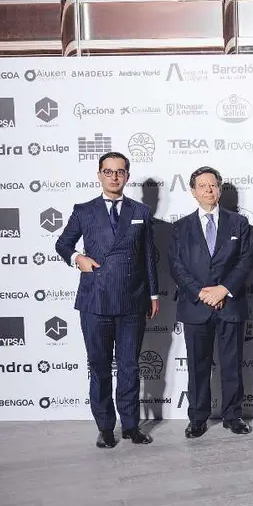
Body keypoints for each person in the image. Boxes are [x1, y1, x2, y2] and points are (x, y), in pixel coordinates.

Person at [55, 152, 159, 449]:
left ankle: (130, 426)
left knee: (129, 366)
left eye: (120, 172)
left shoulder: (141, 211)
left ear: (127, 176)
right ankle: (105, 427)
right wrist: (78, 258)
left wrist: (153, 294)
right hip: (95, 301)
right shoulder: (84, 210)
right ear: (99, 175)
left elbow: (149, 256)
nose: (114, 177)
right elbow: (63, 243)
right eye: (108, 171)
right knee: (99, 366)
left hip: (132, 301)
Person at [168, 167, 253, 439]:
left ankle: (233, 416)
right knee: (197, 365)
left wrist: (223, 290)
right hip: (196, 307)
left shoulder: (239, 224)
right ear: (193, 191)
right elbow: (177, 266)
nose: (208, 190)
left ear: (219, 189)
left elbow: (245, 262)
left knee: (232, 364)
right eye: (202, 185)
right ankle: (197, 418)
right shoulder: (180, 227)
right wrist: (202, 293)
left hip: (229, 304)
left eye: (213, 185)